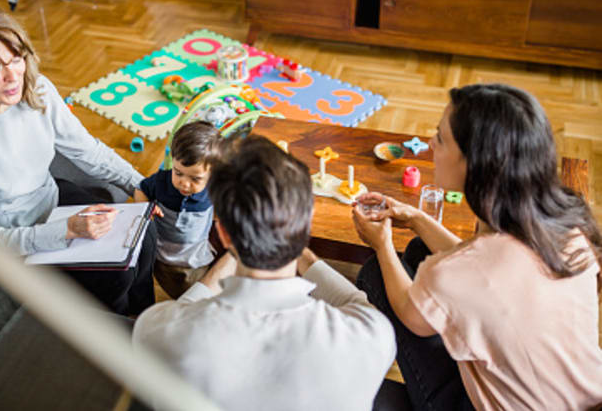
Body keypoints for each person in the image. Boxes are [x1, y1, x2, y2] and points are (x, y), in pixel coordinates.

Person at [353, 83, 602, 411]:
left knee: (376, 274)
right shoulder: (568, 228)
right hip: (576, 398)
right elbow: (481, 272)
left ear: (474, 165)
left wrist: (381, 244)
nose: (430, 144)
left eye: (440, 138)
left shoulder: (465, 270)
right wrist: (415, 218)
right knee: (417, 250)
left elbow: (412, 314)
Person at [133, 135, 395, 411]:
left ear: (222, 234)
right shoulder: (371, 332)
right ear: (305, 225)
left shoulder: (157, 330)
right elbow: (356, 301)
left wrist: (236, 251)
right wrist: (296, 244)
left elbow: (180, 313)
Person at [0, 0, 156, 315]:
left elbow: (88, 151)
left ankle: (145, 325)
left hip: (48, 200)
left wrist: (147, 186)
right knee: (115, 274)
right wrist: (66, 230)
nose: (12, 77)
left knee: (144, 237)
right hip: (5, 243)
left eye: (16, 59)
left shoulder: (37, 91)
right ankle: (115, 338)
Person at [133, 121, 222, 299]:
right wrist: (146, 208)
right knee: (173, 290)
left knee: (196, 294)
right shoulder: (161, 181)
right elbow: (140, 189)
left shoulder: (215, 188)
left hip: (194, 261)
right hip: (160, 256)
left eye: (195, 179)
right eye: (178, 172)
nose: (184, 183)